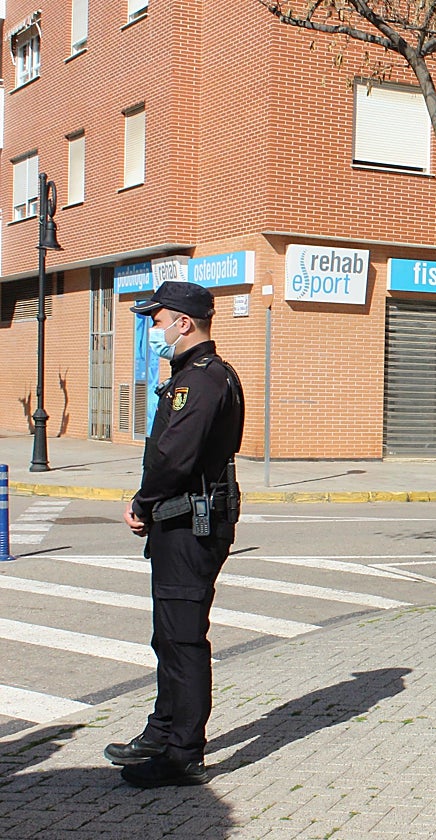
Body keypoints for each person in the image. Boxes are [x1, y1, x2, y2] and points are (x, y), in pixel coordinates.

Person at [105, 281, 244, 788]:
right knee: (168, 634)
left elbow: (172, 457)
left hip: (190, 523)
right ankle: (162, 730)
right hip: (185, 520)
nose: (152, 329)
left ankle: (183, 753)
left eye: (156, 320)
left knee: (183, 639)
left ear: (183, 323)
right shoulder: (199, 375)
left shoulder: (200, 381)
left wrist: (143, 502)